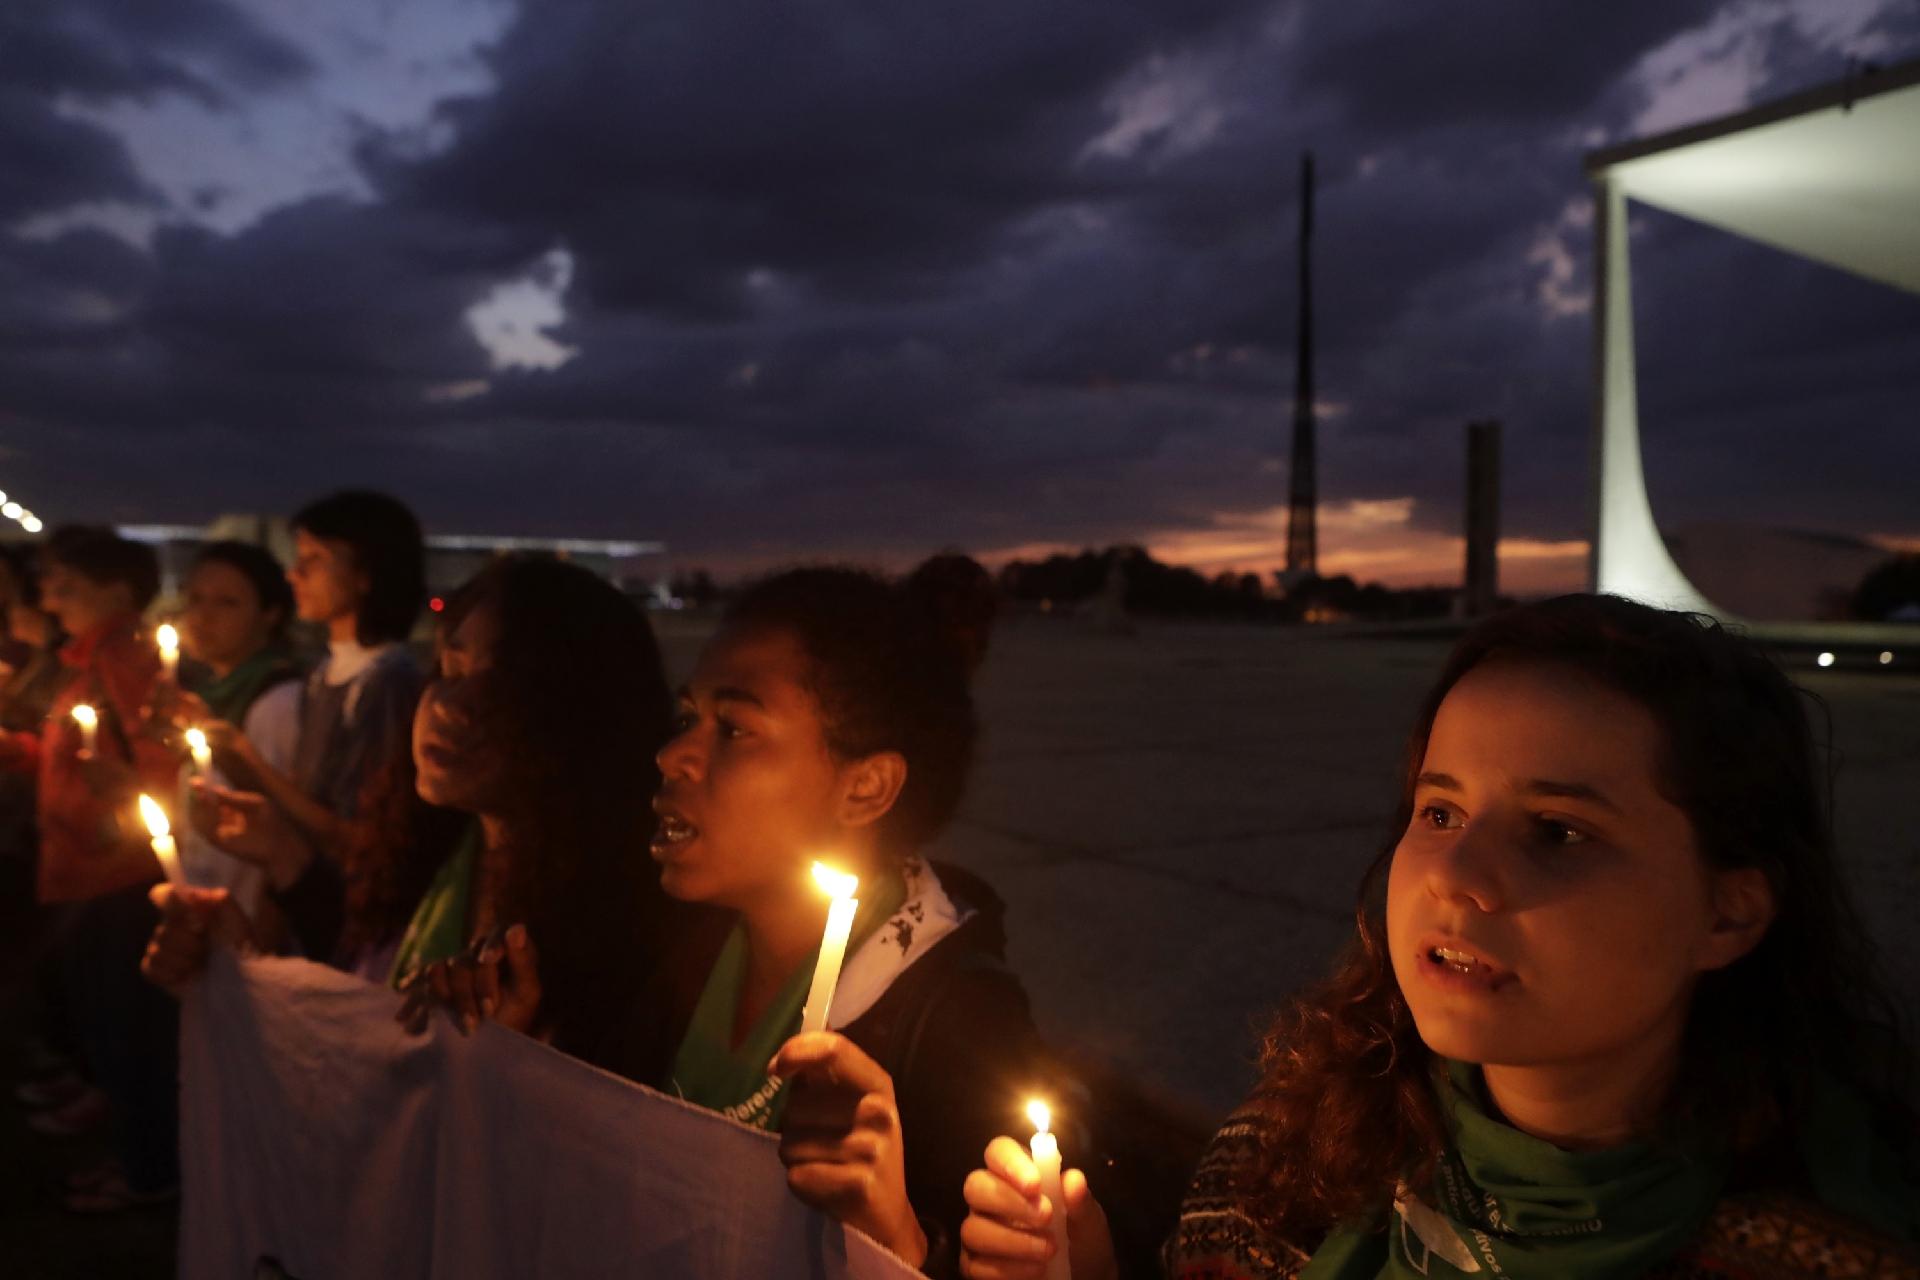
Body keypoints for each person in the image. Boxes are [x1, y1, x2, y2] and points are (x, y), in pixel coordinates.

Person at [957, 595, 1919, 1279]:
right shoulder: (1286, 1167)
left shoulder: (1833, 1248)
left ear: (1729, 912)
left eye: (1558, 832)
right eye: (1442, 812)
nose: (1457, 879)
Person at [410, 566, 1047, 1272]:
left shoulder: (960, 1026)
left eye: (734, 729)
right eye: (688, 720)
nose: (672, 755)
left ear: (866, 787)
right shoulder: (679, 945)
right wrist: (517, 1053)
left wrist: (898, 1242)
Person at [148, 555, 676, 1061]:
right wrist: (240, 960)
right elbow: (361, 1003)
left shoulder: (622, 942)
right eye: (448, 670)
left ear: (582, 714)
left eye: (497, 686)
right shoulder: (435, 855)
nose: (448, 705)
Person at [166, 540, 304, 919]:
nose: (202, 617)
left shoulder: (278, 701)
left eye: (226, 602)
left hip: (243, 921)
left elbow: (282, 822)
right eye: (195, 599)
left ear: (270, 613)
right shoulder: (211, 695)